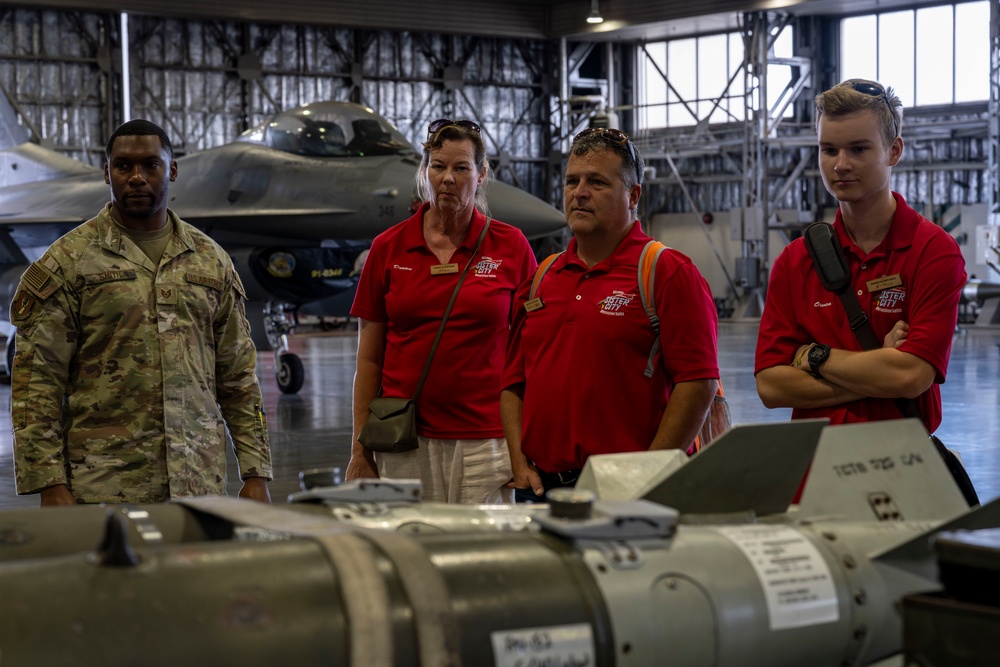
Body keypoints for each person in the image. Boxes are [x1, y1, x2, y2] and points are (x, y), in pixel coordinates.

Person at [9, 119, 272, 506]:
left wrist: (256, 471)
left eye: (151, 165)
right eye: (123, 166)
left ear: (172, 170)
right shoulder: (69, 261)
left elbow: (238, 375)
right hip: (104, 486)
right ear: (106, 173)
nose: (136, 177)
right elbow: (38, 382)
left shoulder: (211, 261)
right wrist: (49, 482)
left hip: (198, 483)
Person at [755, 79, 966, 475]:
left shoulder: (932, 252)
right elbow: (770, 386)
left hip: (902, 467)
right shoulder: (795, 260)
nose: (840, 164)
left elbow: (910, 375)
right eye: (828, 149)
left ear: (894, 151)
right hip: (814, 472)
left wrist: (811, 356)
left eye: (858, 149)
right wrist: (876, 366)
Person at [501, 128, 720, 502]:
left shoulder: (667, 273)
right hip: (541, 491)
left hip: (627, 492)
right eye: (572, 181)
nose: (579, 192)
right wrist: (519, 461)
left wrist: (646, 477)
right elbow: (513, 382)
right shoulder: (541, 278)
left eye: (597, 182)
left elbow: (698, 384)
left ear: (633, 195)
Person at [346, 119, 537, 503]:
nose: (448, 178)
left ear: (481, 174)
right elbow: (369, 359)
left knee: (484, 555)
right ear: (425, 171)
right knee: (411, 549)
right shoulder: (388, 248)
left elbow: (531, 351)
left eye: (461, 168)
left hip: (487, 442)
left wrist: (525, 444)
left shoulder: (511, 247)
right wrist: (359, 450)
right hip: (404, 439)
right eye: (438, 166)